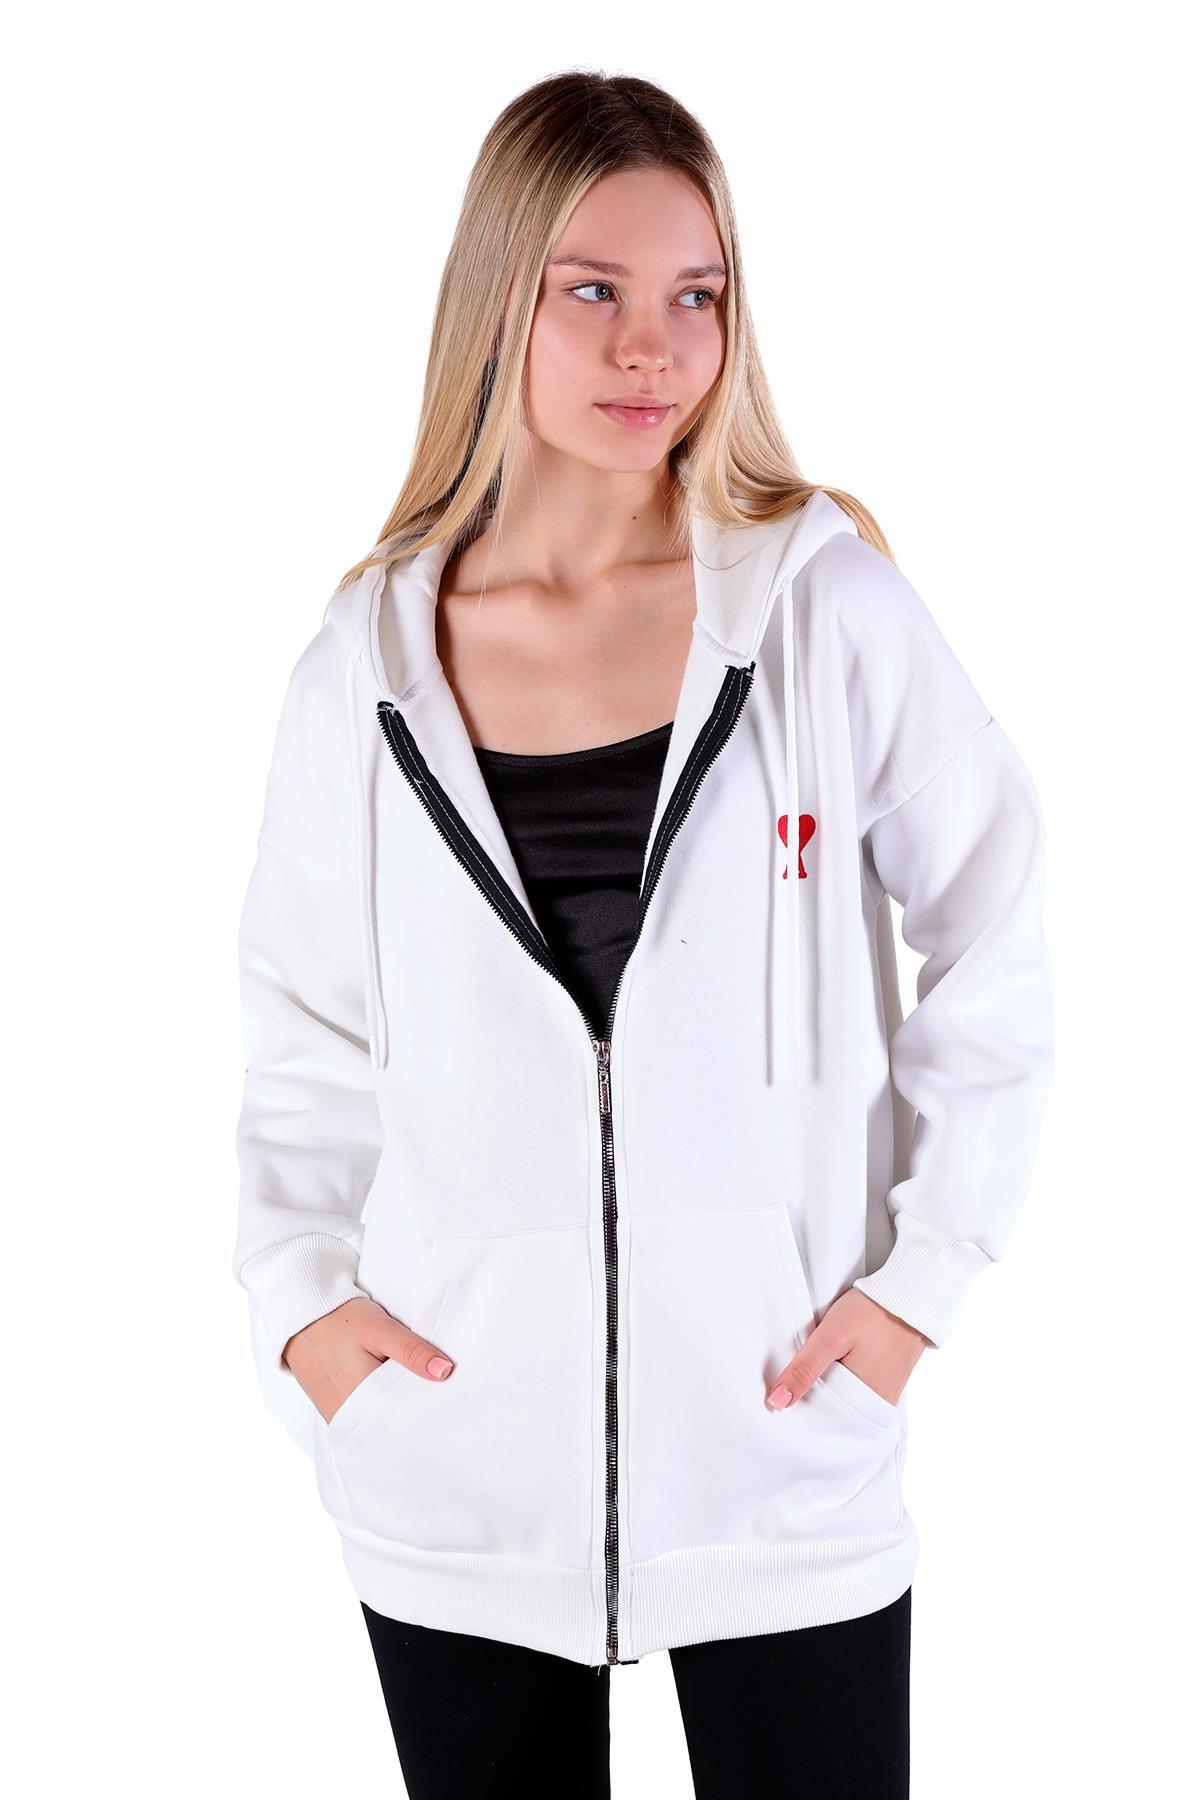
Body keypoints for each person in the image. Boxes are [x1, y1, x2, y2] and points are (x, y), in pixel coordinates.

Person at [231, 69, 1054, 1800]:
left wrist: (923, 1283)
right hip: (458, 1473)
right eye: (592, 288)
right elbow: (302, 1023)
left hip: (783, 1439)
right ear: (497, 300)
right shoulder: (366, 663)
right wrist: (303, 1309)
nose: (651, 348)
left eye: (696, 295)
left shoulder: (824, 611)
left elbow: (996, 926)